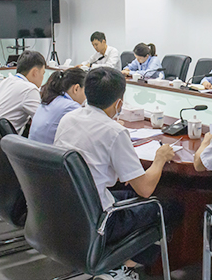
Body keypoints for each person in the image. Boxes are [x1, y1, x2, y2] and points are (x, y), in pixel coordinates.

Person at [53, 67, 182, 280]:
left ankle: (116, 261)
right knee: (170, 208)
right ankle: (120, 265)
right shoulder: (114, 131)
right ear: (119, 103)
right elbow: (145, 189)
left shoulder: (69, 118)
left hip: (67, 211)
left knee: (129, 196)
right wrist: (159, 158)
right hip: (101, 220)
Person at [0, 50, 45, 134]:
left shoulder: (6, 81)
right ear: (35, 72)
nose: (42, 77)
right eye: (43, 73)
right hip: (2, 140)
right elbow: (42, 121)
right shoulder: (29, 89)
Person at [28, 68, 87, 144]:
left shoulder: (51, 99)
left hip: (32, 148)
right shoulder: (71, 107)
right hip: (47, 150)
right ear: (76, 88)